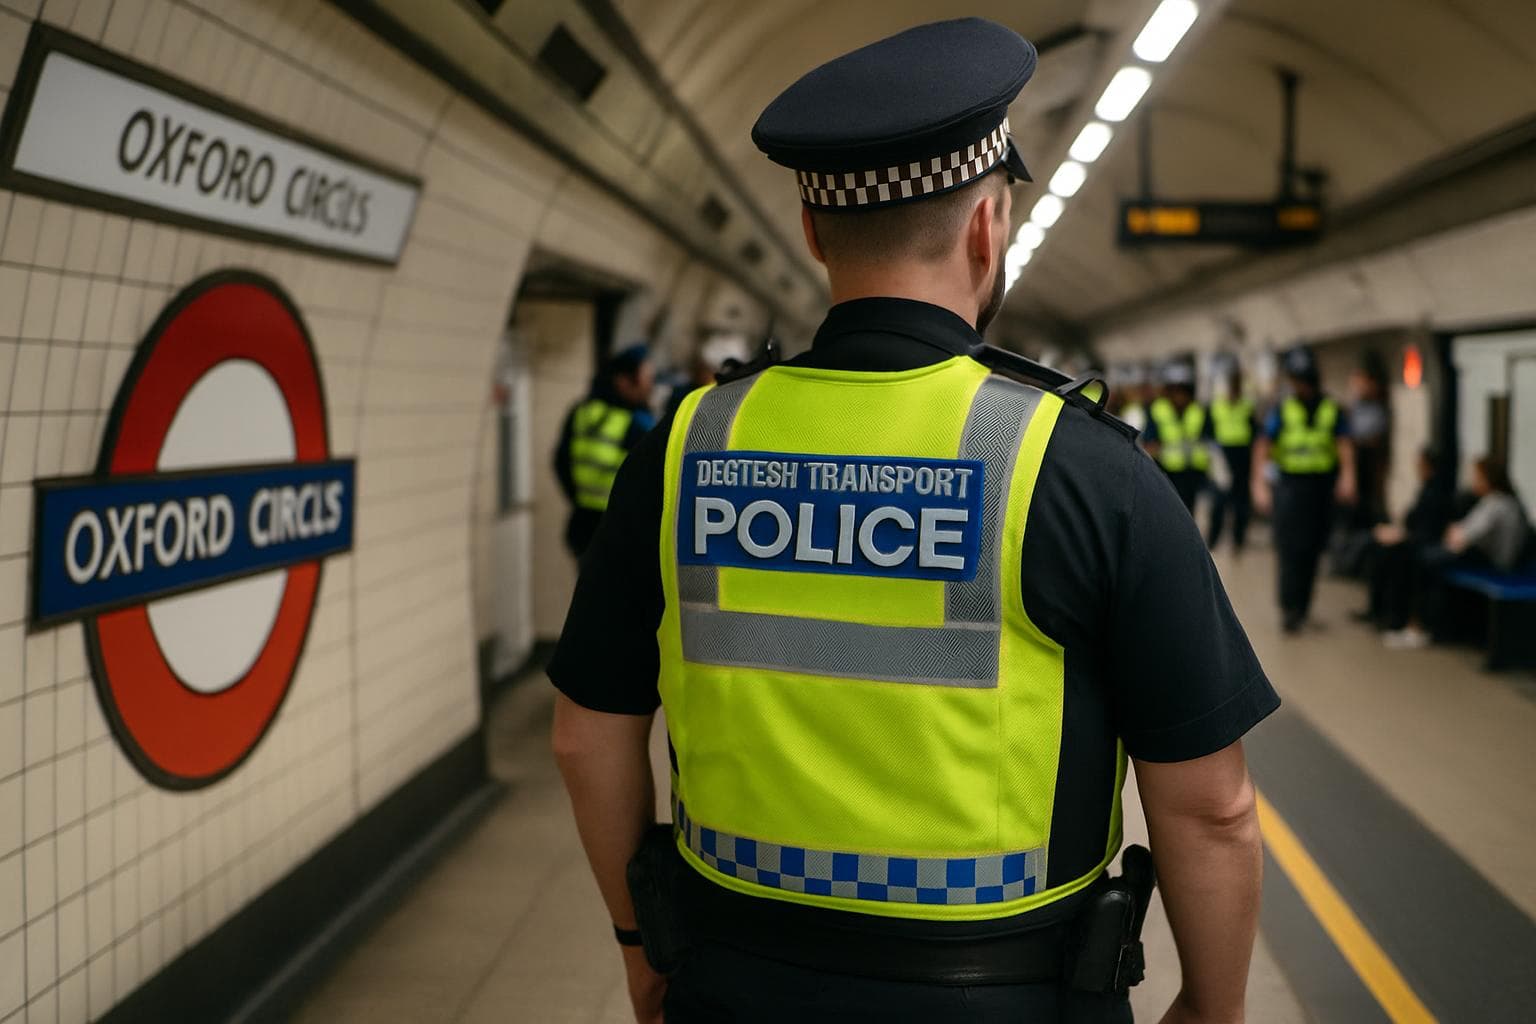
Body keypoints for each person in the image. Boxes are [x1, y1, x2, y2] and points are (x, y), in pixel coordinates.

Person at [549, 18, 1276, 1024]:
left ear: (813, 233)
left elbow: (587, 739)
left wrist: (641, 945)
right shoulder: (1081, 466)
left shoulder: (686, 446)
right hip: (1013, 999)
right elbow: (1213, 808)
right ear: (987, 224)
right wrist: (1214, 1007)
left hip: (732, 985)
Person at [1252, 346, 1356, 633]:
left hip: (1321, 487)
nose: (1296, 385)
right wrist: (1259, 483)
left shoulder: (1330, 409)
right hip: (1290, 487)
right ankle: (1289, 609)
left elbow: (1343, 443)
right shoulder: (1283, 410)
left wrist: (1348, 476)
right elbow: (1264, 445)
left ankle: (1304, 606)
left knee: (1313, 548)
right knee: (1289, 548)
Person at [1383, 457, 1532, 649]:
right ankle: (1418, 624)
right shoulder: (1501, 502)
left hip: (1495, 563)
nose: (1473, 482)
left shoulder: (1497, 504)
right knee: (1427, 558)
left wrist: (1456, 535)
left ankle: (1419, 626)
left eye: (1477, 477)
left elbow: (1463, 534)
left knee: (1424, 563)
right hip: (1492, 558)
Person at [554, 343, 656, 557]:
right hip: (621, 530)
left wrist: (580, 498)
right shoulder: (637, 422)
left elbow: (560, 462)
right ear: (623, 381)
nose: (650, 387)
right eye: (646, 379)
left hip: (583, 524)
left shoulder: (582, 412)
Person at [1354, 447, 1455, 631]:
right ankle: (1379, 610)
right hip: (1416, 540)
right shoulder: (1427, 489)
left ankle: (1392, 615)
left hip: (1422, 544)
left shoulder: (1436, 493)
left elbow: (1428, 530)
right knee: (1377, 548)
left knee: (1390, 555)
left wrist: (1401, 537)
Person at [1141, 361, 1211, 514]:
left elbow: (1206, 441)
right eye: (1176, 390)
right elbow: (1149, 443)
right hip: (1166, 473)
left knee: (1189, 513)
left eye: (1183, 390)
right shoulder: (1157, 410)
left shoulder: (1198, 410)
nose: (1179, 396)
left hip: (1193, 472)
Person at [1207, 364, 1257, 555]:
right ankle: (1212, 540)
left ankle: (1238, 541)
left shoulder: (1246, 406)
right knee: (1219, 502)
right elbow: (1210, 432)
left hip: (1242, 456)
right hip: (1222, 456)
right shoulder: (1216, 406)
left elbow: (1254, 430)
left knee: (1241, 503)